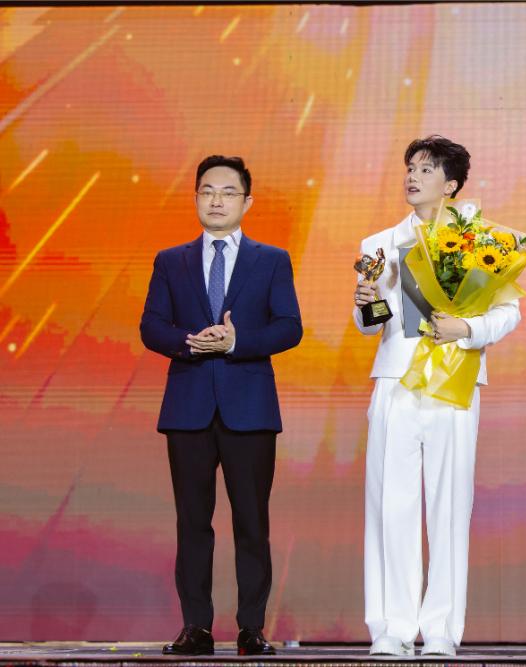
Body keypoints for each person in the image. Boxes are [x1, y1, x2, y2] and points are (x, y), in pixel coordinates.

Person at [353, 135, 521, 657]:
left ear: (451, 185)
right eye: (410, 167)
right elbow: (372, 324)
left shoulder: (482, 241)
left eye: (426, 169)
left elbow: (508, 312)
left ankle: (441, 630)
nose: (413, 176)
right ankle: (391, 628)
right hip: (397, 381)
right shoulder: (379, 244)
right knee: (391, 503)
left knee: (449, 505)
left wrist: (466, 329)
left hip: (454, 380)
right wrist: (366, 301)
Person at [139, 155, 302, 656]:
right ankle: (197, 628)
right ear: (195, 198)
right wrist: (189, 342)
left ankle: (251, 628)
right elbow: (151, 326)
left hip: (249, 408)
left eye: (228, 192)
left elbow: (289, 327)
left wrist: (236, 342)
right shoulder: (171, 261)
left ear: (247, 202)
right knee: (192, 523)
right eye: (207, 191)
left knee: (252, 521)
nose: (216, 200)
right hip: (188, 407)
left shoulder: (271, 260)